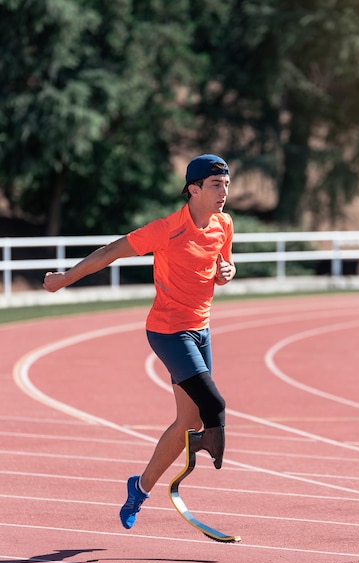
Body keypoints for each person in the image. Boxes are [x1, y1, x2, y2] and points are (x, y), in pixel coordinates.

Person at [43, 154, 236, 530]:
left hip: (201, 329)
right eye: (216, 185)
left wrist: (227, 272)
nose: (224, 193)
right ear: (193, 189)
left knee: (188, 418)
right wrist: (64, 279)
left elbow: (221, 267)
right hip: (168, 330)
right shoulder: (166, 229)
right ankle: (208, 444)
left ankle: (140, 487)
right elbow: (109, 252)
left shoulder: (224, 225)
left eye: (227, 185)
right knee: (213, 404)